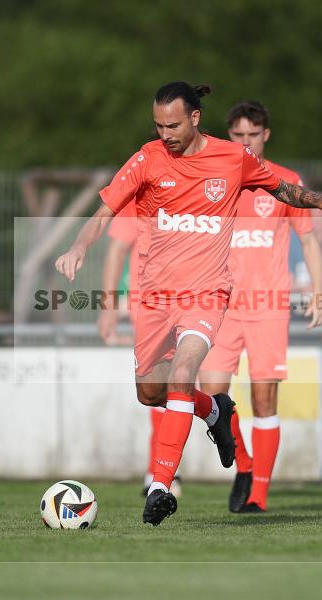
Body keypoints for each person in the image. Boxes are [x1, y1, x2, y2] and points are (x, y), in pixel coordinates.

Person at [55, 81, 322, 526]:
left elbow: (281, 189)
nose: (165, 133)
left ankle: (160, 487)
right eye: (158, 125)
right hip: (155, 296)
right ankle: (215, 411)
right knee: (150, 392)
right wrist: (79, 247)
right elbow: (105, 213)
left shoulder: (232, 159)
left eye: (172, 124)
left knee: (182, 373)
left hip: (207, 293)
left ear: (194, 118)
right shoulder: (148, 158)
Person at [198, 100, 322, 514]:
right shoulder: (216, 181)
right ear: (228, 136)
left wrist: (319, 293)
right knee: (211, 393)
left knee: (264, 400)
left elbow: (308, 239)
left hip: (269, 306)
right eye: (237, 135)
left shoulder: (285, 182)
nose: (246, 142)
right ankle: (247, 465)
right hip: (221, 305)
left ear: (265, 135)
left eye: (253, 134)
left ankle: (258, 497)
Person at [98, 199, 182, 498]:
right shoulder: (138, 197)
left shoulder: (195, 186)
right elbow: (117, 249)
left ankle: (158, 474)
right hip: (149, 308)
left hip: (193, 301)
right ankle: (162, 471)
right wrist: (108, 307)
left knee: (177, 388)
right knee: (156, 391)